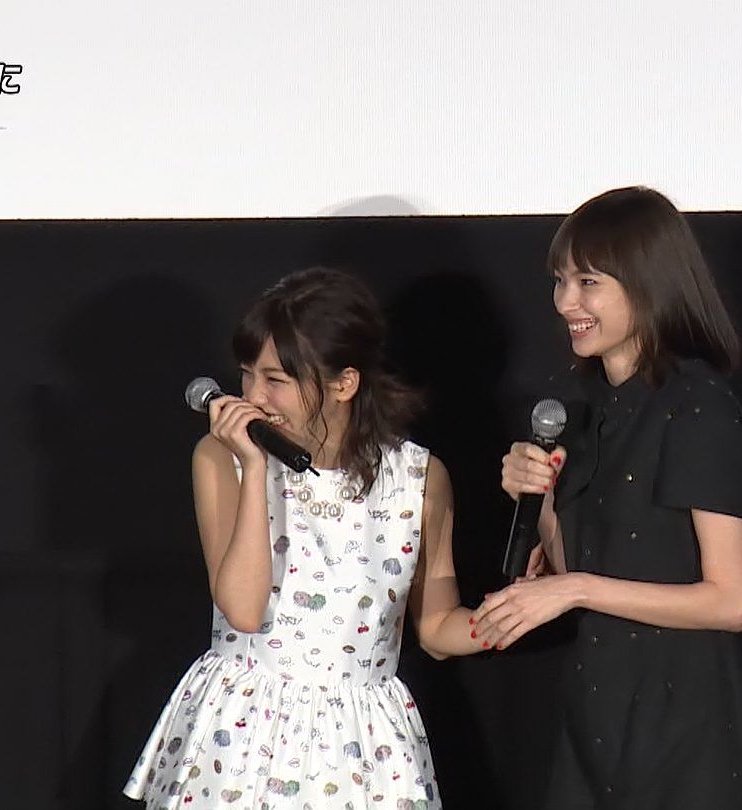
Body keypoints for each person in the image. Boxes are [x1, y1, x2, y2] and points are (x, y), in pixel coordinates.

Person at [125, 267, 485, 809]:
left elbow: (436, 628)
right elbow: (243, 609)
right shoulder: (222, 459)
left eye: (275, 380)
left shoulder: (418, 477)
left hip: (364, 746)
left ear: (344, 383)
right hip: (245, 737)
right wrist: (253, 466)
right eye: (247, 375)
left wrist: (515, 614)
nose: (252, 397)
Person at [472, 187, 742, 808]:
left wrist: (574, 589)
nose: (566, 303)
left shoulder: (697, 408)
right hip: (597, 712)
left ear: (648, 283)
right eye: (560, 282)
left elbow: (729, 600)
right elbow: (571, 567)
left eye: (588, 283)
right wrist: (539, 497)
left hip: (681, 726)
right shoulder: (583, 412)